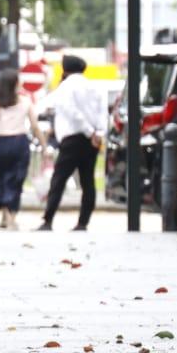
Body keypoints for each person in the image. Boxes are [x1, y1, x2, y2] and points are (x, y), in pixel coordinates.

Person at [37, 54, 106, 232]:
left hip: (72, 138)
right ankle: (83, 222)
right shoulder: (94, 86)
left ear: (66, 69)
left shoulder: (65, 87)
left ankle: (48, 219)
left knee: (59, 179)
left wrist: (88, 131)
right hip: (92, 140)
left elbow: (71, 111)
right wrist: (97, 133)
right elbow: (102, 113)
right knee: (88, 181)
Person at [0, 67, 40, 230]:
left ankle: (5, 214)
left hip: (1, 142)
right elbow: (34, 125)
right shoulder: (26, 102)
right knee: (15, 180)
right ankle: (11, 216)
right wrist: (44, 143)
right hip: (20, 142)